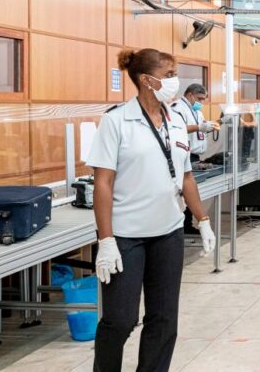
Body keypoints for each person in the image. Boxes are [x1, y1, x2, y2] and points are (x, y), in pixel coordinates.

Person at [88, 48, 216, 371]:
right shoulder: (117, 121)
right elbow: (102, 183)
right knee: (119, 320)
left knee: (163, 320)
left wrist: (202, 220)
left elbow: (185, 175)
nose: (175, 81)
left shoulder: (175, 122)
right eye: (169, 74)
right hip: (126, 237)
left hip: (168, 234)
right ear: (147, 80)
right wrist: (105, 240)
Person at [171, 84, 219, 163]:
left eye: (203, 99)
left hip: (195, 156)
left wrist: (220, 122)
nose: (201, 102)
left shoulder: (196, 110)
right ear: (190, 95)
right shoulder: (178, 108)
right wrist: (199, 127)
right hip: (183, 155)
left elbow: (202, 128)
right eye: (199, 99)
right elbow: (178, 129)